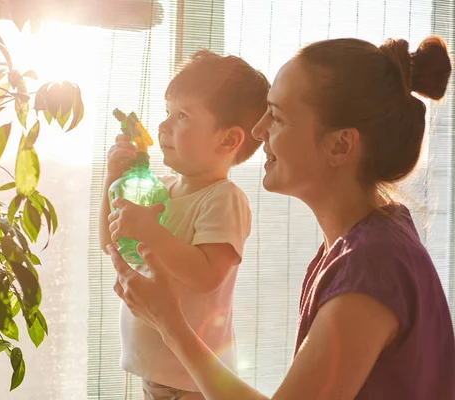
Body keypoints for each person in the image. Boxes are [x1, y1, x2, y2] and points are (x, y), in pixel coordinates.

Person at [109, 36, 455, 400]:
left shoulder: (373, 267)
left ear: (340, 145)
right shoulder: (358, 248)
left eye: (276, 116)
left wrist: (170, 325)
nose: (258, 131)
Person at [100, 50, 270, 399]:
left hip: (192, 384)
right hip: (154, 377)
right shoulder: (160, 188)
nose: (163, 126)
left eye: (182, 116)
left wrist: (150, 232)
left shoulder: (224, 199)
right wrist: (111, 180)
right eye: (167, 113)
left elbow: (209, 275)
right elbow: (112, 244)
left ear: (228, 140)